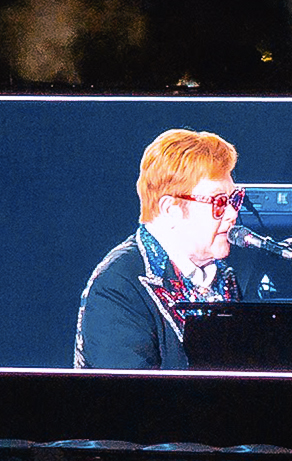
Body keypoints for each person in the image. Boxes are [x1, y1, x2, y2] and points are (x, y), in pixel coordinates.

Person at [74, 128, 244, 370]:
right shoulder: (118, 284)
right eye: (219, 202)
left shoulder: (225, 278)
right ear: (170, 209)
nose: (232, 214)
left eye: (234, 200)